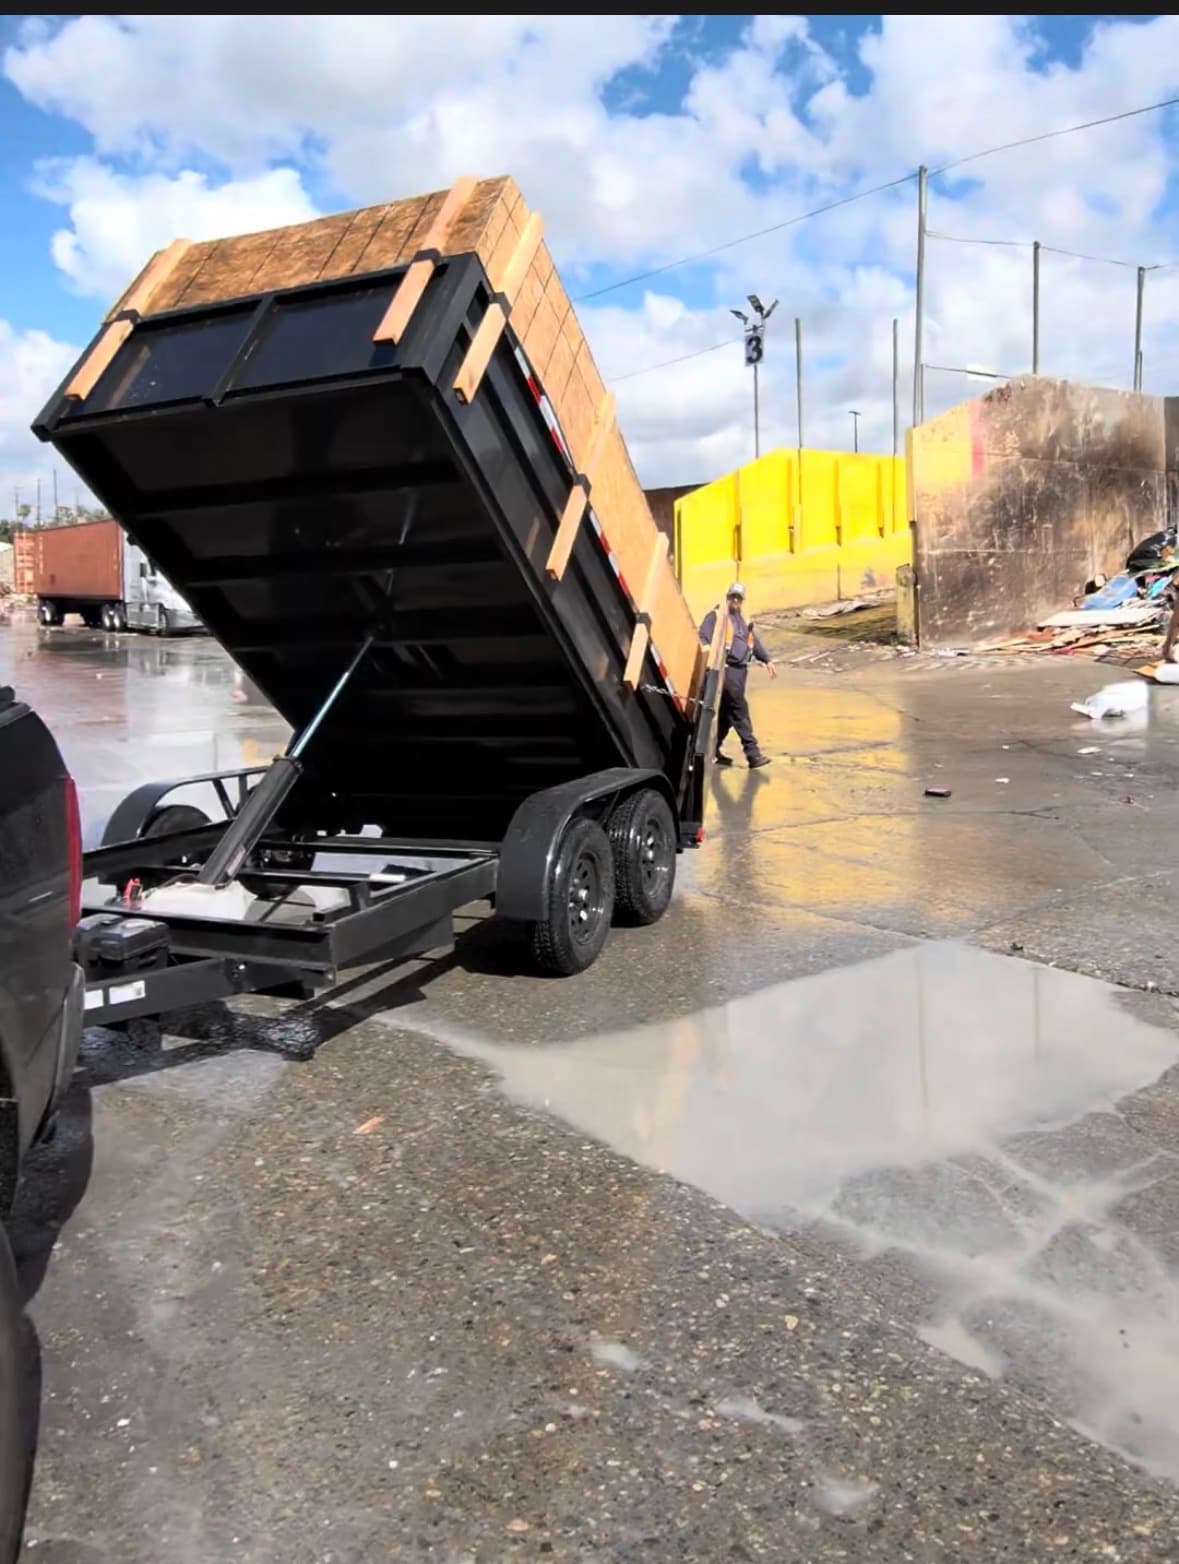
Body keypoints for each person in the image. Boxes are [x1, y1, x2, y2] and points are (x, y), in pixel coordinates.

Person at [699, 583, 776, 768]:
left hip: (741, 672)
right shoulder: (716, 616)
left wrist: (766, 659)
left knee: (727, 716)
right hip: (726, 670)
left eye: (739, 598)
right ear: (727, 597)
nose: (735, 600)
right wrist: (709, 661)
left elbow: (754, 642)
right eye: (733, 596)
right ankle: (753, 754)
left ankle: (712, 750)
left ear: (742, 601)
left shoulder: (743, 620)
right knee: (740, 710)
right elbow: (703, 636)